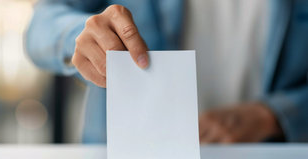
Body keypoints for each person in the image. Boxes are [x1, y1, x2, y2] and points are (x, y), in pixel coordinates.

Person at [26, 0, 308, 143]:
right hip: (128, 149)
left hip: (268, 148)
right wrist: (79, 35)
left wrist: (274, 115)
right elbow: (41, 24)